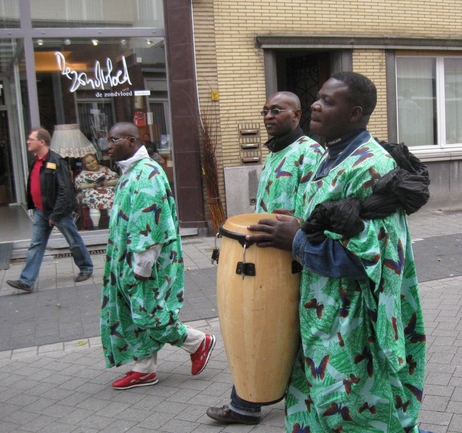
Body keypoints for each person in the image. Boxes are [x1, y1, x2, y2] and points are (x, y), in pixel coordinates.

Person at [247, 73, 427, 432]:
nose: (315, 104)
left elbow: (371, 259)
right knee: (315, 408)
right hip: (320, 314)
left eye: (328, 101)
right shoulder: (324, 157)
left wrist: (296, 240)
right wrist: (297, 224)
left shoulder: (370, 166)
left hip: (355, 325)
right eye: (317, 97)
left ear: (355, 113)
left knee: (357, 412)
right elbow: (322, 226)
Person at [206, 91, 324, 425]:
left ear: (297, 115)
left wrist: (297, 226)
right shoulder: (275, 151)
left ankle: (256, 404)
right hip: (265, 257)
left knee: (281, 329)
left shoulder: (309, 153)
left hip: (290, 257)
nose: (269, 115)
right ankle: (248, 402)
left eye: (277, 110)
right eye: (265, 110)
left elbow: (316, 209)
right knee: (258, 325)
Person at [100, 122, 216, 390]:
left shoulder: (147, 174)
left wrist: (141, 266)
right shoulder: (133, 171)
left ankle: (197, 342)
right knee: (134, 313)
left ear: (131, 141)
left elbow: (149, 223)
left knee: (147, 314)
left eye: (113, 140)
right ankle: (144, 368)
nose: (108, 145)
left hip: (143, 263)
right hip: (127, 260)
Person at [7, 128, 94, 293]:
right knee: (36, 244)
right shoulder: (36, 161)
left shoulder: (56, 161)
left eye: (31, 139)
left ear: (41, 142)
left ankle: (87, 267)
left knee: (73, 240)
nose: (28, 141)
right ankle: (26, 281)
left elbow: (65, 190)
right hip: (42, 211)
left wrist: (55, 214)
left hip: (58, 211)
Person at [74, 153, 119, 229]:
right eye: (88, 163)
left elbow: (118, 180)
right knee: (93, 199)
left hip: (107, 191)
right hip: (93, 193)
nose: (91, 164)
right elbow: (79, 185)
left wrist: (107, 183)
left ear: (96, 160)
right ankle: (96, 226)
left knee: (111, 199)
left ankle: (113, 225)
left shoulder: (106, 169)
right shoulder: (84, 174)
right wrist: (91, 185)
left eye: (93, 161)